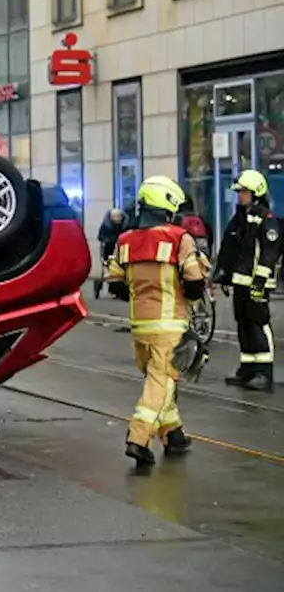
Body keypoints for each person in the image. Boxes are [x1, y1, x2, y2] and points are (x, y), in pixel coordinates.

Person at [106, 175, 209, 466]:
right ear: (166, 205)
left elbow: (115, 284)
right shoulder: (179, 238)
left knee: (159, 381)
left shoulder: (124, 241)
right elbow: (195, 284)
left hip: (140, 327)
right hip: (170, 325)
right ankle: (138, 439)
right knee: (161, 384)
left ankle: (174, 434)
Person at [214, 169, 280, 392]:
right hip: (240, 282)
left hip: (256, 284)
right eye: (239, 192)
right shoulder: (240, 218)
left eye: (244, 192)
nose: (240, 196)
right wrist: (223, 274)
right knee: (243, 323)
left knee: (258, 324)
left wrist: (260, 282)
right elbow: (229, 248)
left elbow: (269, 253)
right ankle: (248, 368)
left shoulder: (267, 220)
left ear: (256, 192)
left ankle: (264, 372)